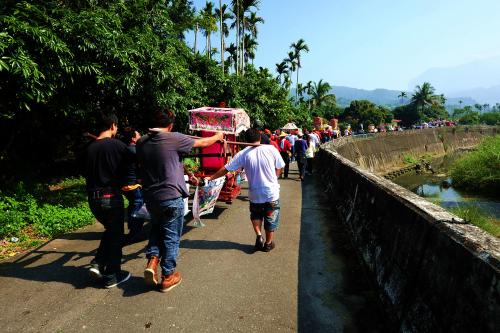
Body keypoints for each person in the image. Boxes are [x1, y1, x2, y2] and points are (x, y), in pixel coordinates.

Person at [136, 110, 223, 292]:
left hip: (152, 198)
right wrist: (218, 135)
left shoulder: (142, 142)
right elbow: (204, 143)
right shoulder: (173, 138)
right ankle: (168, 276)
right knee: (171, 237)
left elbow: (171, 158)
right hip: (171, 197)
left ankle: (152, 261)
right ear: (170, 126)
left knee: (157, 228)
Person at [207, 128, 285, 252]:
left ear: (246, 140)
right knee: (271, 217)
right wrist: (275, 177)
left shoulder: (243, 153)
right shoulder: (271, 149)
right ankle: (268, 243)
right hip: (271, 192)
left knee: (256, 215)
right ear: (259, 137)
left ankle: (259, 235)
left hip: (255, 193)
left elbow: (226, 168)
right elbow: (280, 166)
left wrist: (211, 178)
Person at [85, 113, 131, 288]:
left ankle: (98, 262)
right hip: (110, 198)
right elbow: (134, 159)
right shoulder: (117, 145)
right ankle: (112, 275)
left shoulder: (89, 148)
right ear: (113, 126)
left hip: (93, 200)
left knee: (110, 231)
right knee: (116, 236)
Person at [120, 127, 145, 244]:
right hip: (133, 185)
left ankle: (133, 231)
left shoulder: (126, 149)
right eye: (139, 135)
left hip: (126, 184)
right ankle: (134, 234)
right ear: (133, 138)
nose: (141, 137)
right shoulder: (134, 150)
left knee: (133, 206)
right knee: (137, 208)